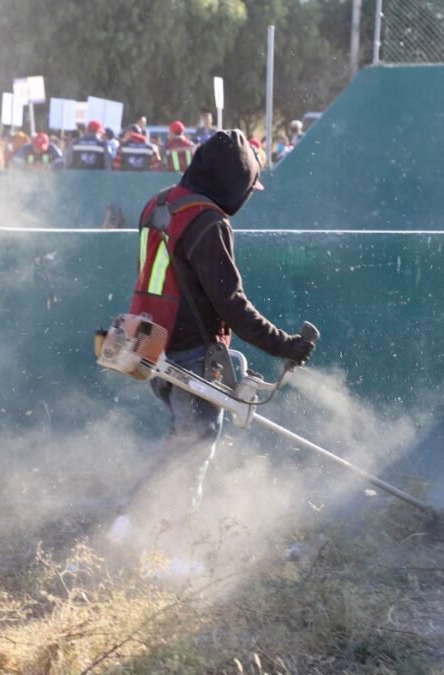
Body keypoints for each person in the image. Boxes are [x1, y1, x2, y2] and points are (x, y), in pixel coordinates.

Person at [123, 129, 315, 512]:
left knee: (181, 446)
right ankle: (173, 552)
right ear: (235, 181)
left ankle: (127, 528)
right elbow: (232, 305)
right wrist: (285, 345)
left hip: (149, 344)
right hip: (190, 357)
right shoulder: (207, 222)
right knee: (191, 453)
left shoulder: (160, 206)